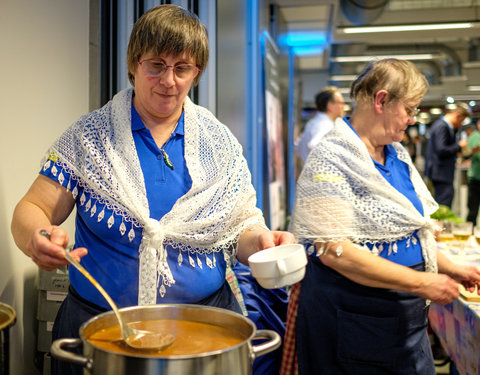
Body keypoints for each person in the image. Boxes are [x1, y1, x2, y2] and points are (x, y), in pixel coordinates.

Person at [10, 5, 295, 375]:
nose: (169, 81)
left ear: (197, 72)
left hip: (206, 330)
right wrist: (37, 235)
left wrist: (261, 243)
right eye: (156, 65)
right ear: (134, 65)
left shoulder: (219, 143)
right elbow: (31, 207)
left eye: (183, 68)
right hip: (102, 332)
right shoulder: (89, 138)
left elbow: (241, 225)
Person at [281, 59, 480, 375]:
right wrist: (421, 281)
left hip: (402, 327)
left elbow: (411, 233)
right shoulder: (331, 159)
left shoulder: (395, 153)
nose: (413, 120)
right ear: (381, 100)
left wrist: (452, 268)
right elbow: (335, 252)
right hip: (354, 326)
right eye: (410, 110)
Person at [424, 103, 470, 207]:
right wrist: (458, 146)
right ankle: (441, 224)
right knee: (443, 203)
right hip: (440, 173)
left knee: (443, 201)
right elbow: (441, 149)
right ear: (457, 115)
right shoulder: (442, 127)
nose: (461, 124)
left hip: (440, 172)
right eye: (461, 120)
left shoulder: (444, 126)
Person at [295, 86, 345, 162]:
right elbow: (313, 145)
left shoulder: (314, 122)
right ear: (330, 106)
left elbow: (298, 146)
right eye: (341, 103)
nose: (343, 107)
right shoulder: (325, 125)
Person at [466, 121, 480, 225]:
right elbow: (469, 153)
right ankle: (470, 234)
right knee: (473, 210)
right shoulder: (474, 137)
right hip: (475, 178)